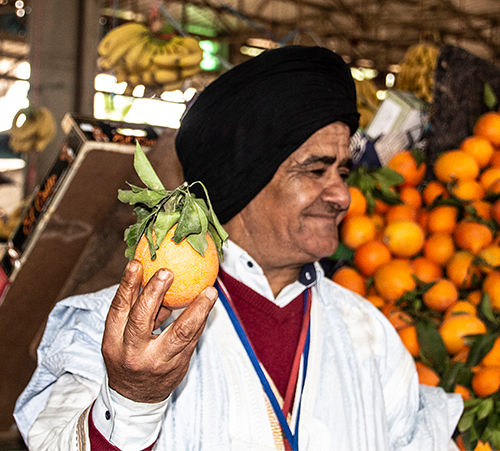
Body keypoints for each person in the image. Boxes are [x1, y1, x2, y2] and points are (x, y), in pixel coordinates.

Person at [14, 46, 462, 450]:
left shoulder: (369, 333)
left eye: (342, 172)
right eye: (314, 170)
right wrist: (132, 397)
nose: (342, 196)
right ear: (243, 179)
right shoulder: (117, 335)